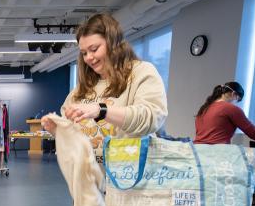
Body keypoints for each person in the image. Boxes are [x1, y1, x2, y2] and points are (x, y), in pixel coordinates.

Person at [41, 12, 168, 160]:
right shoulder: (83, 87)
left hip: (129, 176)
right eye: (84, 53)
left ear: (113, 43)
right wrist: (58, 130)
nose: (89, 57)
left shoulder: (141, 72)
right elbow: (73, 134)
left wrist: (101, 110)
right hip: (90, 177)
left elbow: (151, 118)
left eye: (94, 49)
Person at [194, 82, 255, 152]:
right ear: (234, 94)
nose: (236, 103)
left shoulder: (204, 108)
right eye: (237, 100)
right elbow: (253, 132)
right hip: (216, 154)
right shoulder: (229, 108)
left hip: (197, 151)